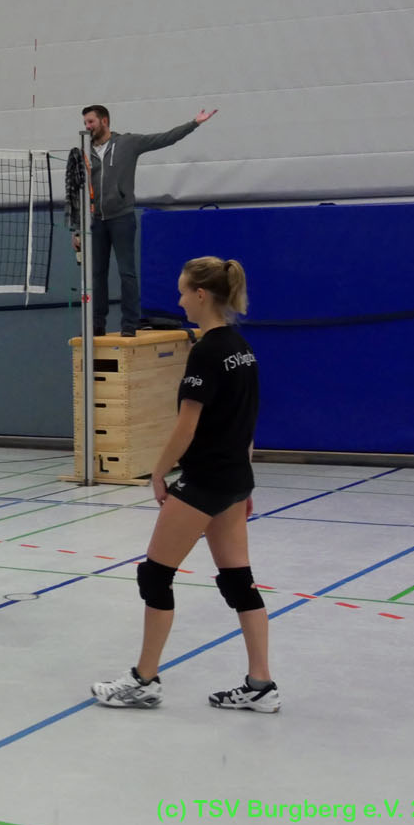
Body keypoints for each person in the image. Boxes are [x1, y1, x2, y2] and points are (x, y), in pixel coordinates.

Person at [91, 256, 277, 713]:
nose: (178, 302)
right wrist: (245, 482)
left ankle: (144, 680)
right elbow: (247, 423)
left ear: (201, 295)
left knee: (155, 574)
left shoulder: (208, 351)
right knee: (239, 582)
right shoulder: (243, 348)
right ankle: (261, 684)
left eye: (182, 292)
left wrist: (158, 472)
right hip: (233, 479)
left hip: (206, 481)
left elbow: (186, 425)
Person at [73, 105, 218, 337]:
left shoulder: (127, 143)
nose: (87, 127)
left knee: (127, 273)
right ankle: (97, 324)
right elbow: (76, 191)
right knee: (97, 275)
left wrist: (194, 123)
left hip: (121, 217)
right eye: (85, 123)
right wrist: (77, 228)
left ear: (104, 121)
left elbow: (165, 139)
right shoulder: (84, 153)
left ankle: (129, 324)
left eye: (91, 122)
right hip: (95, 221)